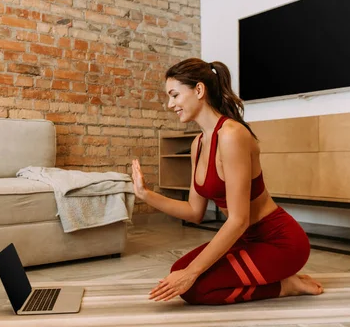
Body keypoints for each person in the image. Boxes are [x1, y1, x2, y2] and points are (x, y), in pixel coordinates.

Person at [131, 58, 323, 305]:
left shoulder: (232, 135)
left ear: (199, 90)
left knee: (194, 288)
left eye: (175, 95)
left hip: (279, 243)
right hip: (244, 239)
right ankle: (273, 278)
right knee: (178, 269)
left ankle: (285, 285)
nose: (170, 104)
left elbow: (238, 219)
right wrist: (146, 194)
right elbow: (194, 212)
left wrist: (192, 274)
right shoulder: (197, 144)